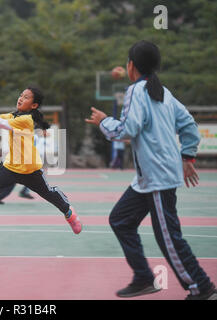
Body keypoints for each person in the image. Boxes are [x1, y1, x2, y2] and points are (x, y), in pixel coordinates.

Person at [85, 40, 216, 300]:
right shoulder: (163, 92)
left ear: (131, 66)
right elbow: (189, 123)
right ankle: (144, 277)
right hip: (149, 178)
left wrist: (103, 121)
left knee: (169, 238)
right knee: (120, 220)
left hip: (157, 176)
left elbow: (125, 130)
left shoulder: (136, 91)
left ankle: (201, 287)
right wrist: (187, 156)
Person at [0, 86, 82, 240]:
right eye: (21, 95)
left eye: (26, 97)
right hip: (11, 167)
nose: (21, 98)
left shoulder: (26, 120)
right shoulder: (14, 115)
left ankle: (69, 213)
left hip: (30, 169)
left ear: (34, 105)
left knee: (49, 194)